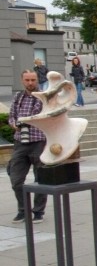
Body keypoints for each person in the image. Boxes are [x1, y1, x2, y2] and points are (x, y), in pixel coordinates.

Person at [7, 70, 48, 224]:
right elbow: (12, 116)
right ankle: (23, 210)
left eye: (33, 79)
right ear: (22, 81)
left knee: (41, 179)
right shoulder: (18, 97)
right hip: (20, 142)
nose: (30, 83)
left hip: (39, 141)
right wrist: (14, 124)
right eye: (27, 80)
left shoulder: (44, 97)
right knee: (16, 179)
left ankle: (38, 211)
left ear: (37, 80)